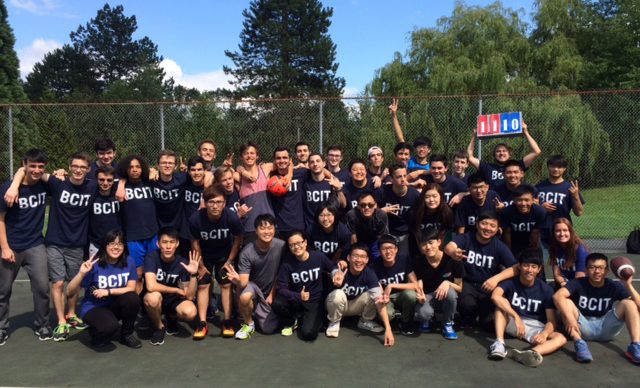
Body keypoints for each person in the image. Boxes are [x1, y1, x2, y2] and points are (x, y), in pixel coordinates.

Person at [7, 152, 98, 341]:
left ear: (88, 169)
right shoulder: (58, 183)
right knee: (57, 282)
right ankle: (61, 321)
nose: (78, 170)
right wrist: (15, 185)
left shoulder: (92, 186)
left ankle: (71, 314)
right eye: (75, 166)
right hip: (54, 242)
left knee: (74, 284)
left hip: (77, 243)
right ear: (70, 166)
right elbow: (28, 170)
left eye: (83, 167)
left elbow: (114, 180)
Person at [0, 149, 52, 344]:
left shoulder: (44, 186)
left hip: (35, 244)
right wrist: (5, 247)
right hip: (11, 246)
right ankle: (1, 327)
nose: (37, 170)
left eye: (40, 166)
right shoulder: (9, 188)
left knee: (41, 288)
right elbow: (0, 219)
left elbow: (52, 179)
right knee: (3, 290)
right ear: (24, 165)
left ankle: (43, 325)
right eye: (32, 166)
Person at [553, 253, 640, 363]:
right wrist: (570, 319)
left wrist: (628, 285)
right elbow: (557, 296)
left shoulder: (613, 285)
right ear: (586, 270)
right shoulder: (578, 283)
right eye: (592, 267)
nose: (597, 271)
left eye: (600, 268)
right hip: (583, 328)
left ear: (607, 270)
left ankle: (635, 345)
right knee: (565, 302)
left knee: (629, 303)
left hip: (606, 327)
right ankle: (580, 344)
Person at [489, 249, 566, 367]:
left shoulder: (546, 290)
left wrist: (544, 334)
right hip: (513, 321)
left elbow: (552, 320)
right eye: (526, 265)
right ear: (519, 266)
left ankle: (531, 353)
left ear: (539, 269)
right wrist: (516, 317)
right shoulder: (511, 282)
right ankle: (499, 343)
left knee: (560, 338)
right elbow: (495, 296)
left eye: (534, 267)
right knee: (500, 307)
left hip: (534, 326)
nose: (529, 270)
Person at [67, 230, 141, 348]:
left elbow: (131, 288)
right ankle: (95, 333)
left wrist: (108, 291)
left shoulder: (129, 261)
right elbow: (69, 291)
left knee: (132, 298)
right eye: (112, 243)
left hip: (114, 305)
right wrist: (81, 274)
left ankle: (126, 334)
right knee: (108, 328)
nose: (116, 247)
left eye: (120, 244)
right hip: (94, 307)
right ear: (104, 245)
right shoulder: (94, 264)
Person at [445, 210, 517, 330]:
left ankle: (483, 315)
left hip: (487, 287)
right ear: (477, 224)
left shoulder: (499, 246)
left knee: (488, 324)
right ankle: (467, 316)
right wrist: (453, 252)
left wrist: (496, 278)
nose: (488, 228)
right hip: (468, 284)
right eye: (484, 224)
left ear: (498, 229)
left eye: (492, 225)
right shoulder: (467, 238)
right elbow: (449, 246)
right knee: (467, 304)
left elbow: (515, 268)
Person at [189, 185, 243, 339]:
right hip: (204, 256)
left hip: (223, 256)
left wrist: (230, 260)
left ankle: (227, 321)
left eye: (219, 202)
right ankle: (202, 323)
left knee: (226, 285)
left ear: (225, 203)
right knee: (204, 284)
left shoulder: (231, 217)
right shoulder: (196, 218)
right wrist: (200, 266)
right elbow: (195, 243)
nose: (215, 206)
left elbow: (238, 238)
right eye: (211, 202)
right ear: (205, 203)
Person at [224, 214, 285, 339]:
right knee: (245, 297)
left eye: (270, 228)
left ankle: (258, 311)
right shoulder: (247, 252)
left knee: (269, 329)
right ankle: (249, 323)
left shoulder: (282, 246)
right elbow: (244, 283)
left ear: (274, 229)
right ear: (256, 231)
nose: (266, 231)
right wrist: (237, 281)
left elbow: (283, 272)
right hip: (254, 288)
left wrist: (273, 292)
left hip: (272, 290)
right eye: (262, 228)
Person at [273, 231, 339, 340]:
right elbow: (281, 288)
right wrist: (298, 296)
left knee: (309, 334)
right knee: (278, 303)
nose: (296, 247)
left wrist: (336, 273)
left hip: (314, 301)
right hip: (296, 300)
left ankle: (308, 319)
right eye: (292, 245)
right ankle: (292, 320)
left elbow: (332, 266)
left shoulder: (318, 256)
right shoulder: (287, 264)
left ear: (305, 242)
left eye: (299, 243)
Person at [325, 243, 395, 347]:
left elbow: (379, 300)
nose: (359, 260)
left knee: (374, 295)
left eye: (363, 257)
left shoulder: (369, 273)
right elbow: (334, 270)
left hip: (354, 306)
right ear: (349, 257)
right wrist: (335, 276)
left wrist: (388, 330)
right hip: (336, 306)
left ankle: (365, 321)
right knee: (338, 294)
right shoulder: (341, 268)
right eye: (355, 256)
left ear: (367, 260)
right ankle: (334, 322)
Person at [143, 227, 200, 346]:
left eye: (172, 242)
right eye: (164, 242)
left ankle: (171, 317)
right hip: (154, 298)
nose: (168, 246)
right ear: (158, 244)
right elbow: (151, 286)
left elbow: (189, 296)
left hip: (171, 300)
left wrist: (193, 274)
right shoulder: (151, 257)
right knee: (153, 298)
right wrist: (176, 289)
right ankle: (159, 327)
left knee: (191, 312)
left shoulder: (182, 262)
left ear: (177, 244)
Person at [116, 155, 158, 293]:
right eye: (131, 167)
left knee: (153, 272)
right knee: (138, 274)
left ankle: (152, 303)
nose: (134, 170)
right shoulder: (120, 186)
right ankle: (136, 306)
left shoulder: (150, 182)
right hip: (134, 237)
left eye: (138, 167)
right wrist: (121, 183)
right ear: (125, 169)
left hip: (152, 234)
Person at [413, 227, 463, 340]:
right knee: (422, 314)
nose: (428, 247)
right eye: (424, 244)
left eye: (431, 242)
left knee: (451, 293)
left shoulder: (453, 260)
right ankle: (428, 319)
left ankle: (447, 323)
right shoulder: (417, 261)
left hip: (446, 297)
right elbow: (418, 282)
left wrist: (447, 283)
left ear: (439, 242)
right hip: (428, 296)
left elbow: (460, 288)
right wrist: (419, 294)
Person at [467, 121, 542, 189]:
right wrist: (474, 136)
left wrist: (526, 132)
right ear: (494, 155)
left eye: (504, 151)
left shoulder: (517, 166)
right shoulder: (487, 167)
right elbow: (469, 157)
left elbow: (536, 151)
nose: (501, 153)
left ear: (509, 154)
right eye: (498, 151)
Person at [234, 141, 280, 243]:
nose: (249, 156)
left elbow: (286, 163)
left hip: (269, 226)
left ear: (257, 156)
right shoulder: (238, 177)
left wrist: (290, 175)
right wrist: (242, 171)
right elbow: (223, 173)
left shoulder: (266, 169)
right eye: (246, 153)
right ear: (241, 157)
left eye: (252, 153)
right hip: (250, 229)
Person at [374, 235, 418, 335]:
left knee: (411, 295)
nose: (388, 252)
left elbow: (415, 285)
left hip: (402, 295)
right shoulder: (375, 266)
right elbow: (378, 289)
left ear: (396, 249)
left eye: (390, 248)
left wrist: (391, 286)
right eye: (384, 249)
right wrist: (383, 297)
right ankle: (393, 318)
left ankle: (405, 321)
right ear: (379, 251)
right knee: (387, 315)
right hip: (386, 297)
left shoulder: (404, 260)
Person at [535, 155, 585, 244]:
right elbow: (531, 210)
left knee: (564, 258)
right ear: (548, 167)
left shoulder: (569, 187)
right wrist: (540, 207)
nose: (556, 169)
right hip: (542, 232)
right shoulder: (539, 187)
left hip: (562, 231)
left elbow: (579, 213)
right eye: (552, 166)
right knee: (542, 257)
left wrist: (576, 196)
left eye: (559, 167)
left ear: (564, 169)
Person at [377, 164, 420, 255]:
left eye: (405, 176)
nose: (403, 179)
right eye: (399, 177)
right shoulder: (383, 192)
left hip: (407, 234)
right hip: (387, 233)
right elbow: (371, 212)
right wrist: (382, 211)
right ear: (391, 179)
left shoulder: (415, 195)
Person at [499, 184, 547, 258]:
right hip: (513, 242)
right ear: (514, 200)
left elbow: (535, 235)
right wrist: (508, 254)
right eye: (519, 200)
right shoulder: (507, 212)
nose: (523, 204)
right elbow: (507, 234)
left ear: (532, 200)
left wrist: (532, 255)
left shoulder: (540, 212)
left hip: (531, 242)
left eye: (527, 200)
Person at [389, 98, 432, 174]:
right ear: (415, 149)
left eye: (424, 147)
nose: (421, 150)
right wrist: (394, 115)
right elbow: (400, 138)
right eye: (419, 147)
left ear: (429, 150)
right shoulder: (409, 161)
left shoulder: (431, 167)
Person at [303, 153, 345, 228]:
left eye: (318, 161)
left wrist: (339, 189)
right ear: (308, 165)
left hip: (329, 226)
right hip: (311, 226)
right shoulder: (304, 183)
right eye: (312, 162)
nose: (315, 164)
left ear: (324, 163)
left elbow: (343, 204)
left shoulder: (332, 183)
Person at [345, 192, 389, 261]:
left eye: (370, 205)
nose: (366, 208)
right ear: (358, 206)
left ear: (375, 205)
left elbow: (383, 237)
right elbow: (353, 238)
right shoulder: (351, 215)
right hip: (358, 241)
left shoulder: (381, 215)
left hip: (375, 241)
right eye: (363, 205)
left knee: (378, 258)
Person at [89, 166, 120, 258]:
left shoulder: (119, 195)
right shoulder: (90, 196)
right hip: (96, 244)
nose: (105, 183)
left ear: (114, 181)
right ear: (96, 180)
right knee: (95, 271)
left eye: (109, 180)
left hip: (116, 243)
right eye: (101, 179)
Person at [548, 218, 589, 288]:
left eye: (565, 230)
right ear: (553, 233)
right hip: (565, 284)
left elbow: (580, 277)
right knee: (549, 288)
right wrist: (563, 282)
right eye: (558, 231)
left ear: (570, 232)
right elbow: (557, 274)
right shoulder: (554, 248)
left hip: (581, 286)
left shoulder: (580, 250)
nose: (561, 234)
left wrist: (566, 290)